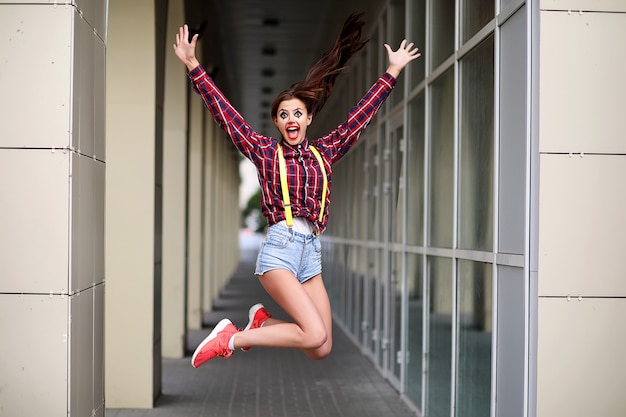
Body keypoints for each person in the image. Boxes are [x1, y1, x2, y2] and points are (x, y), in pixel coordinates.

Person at [173, 13, 420, 369]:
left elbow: (359, 116)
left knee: (321, 346)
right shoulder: (265, 152)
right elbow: (226, 115)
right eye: (284, 114)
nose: (291, 119)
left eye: (298, 113)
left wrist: (392, 71)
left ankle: (261, 323)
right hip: (279, 252)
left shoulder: (326, 151)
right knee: (313, 334)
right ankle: (232, 337)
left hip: (311, 254)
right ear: (276, 122)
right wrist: (194, 65)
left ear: (307, 119)